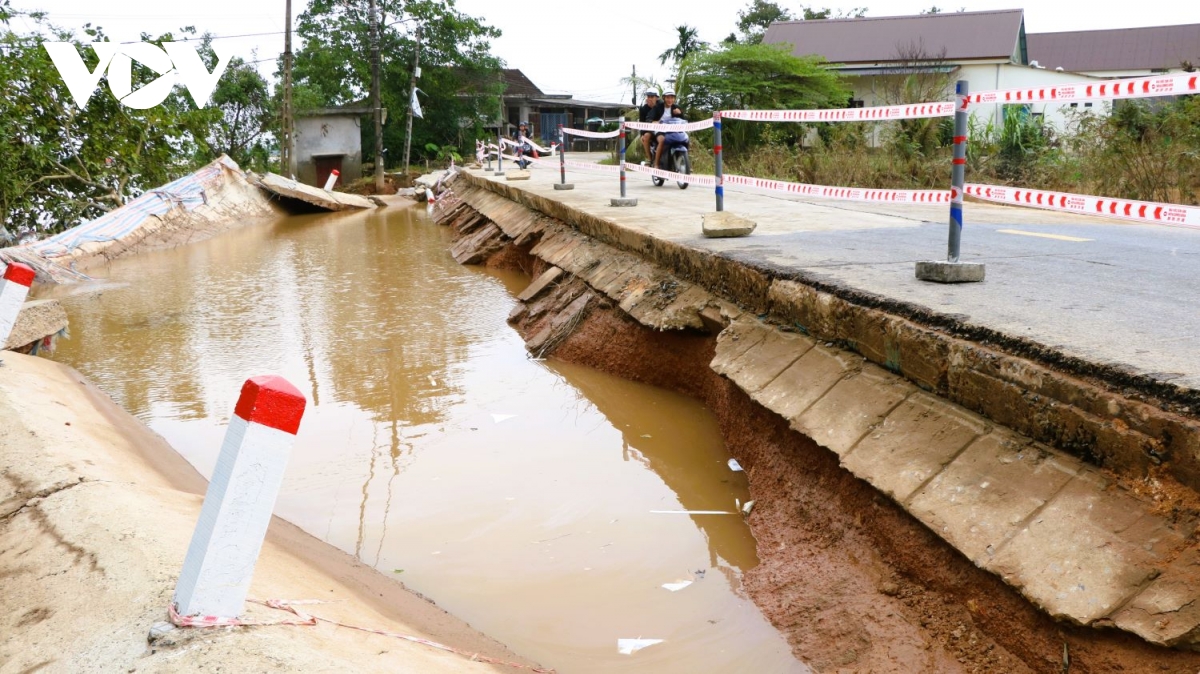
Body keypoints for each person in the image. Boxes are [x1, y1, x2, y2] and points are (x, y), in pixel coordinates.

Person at [653, 91, 684, 169]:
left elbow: (684, 120)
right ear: (664, 98)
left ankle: (685, 161)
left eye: (672, 98)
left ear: (674, 99)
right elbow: (649, 119)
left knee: (684, 139)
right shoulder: (658, 107)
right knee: (662, 140)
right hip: (659, 129)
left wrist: (679, 113)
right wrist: (656, 122)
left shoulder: (676, 107)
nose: (670, 100)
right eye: (668, 98)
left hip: (673, 129)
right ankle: (656, 164)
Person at [638, 91, 664, 164]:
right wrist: (642, 134)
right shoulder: (643, 109)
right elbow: (642, 123)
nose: (650, 99)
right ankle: (650, 159)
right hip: (650, 130)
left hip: (664, 129)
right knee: (646, 136)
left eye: (652, 97)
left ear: (657, 98)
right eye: (648, 97)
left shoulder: (662, 106)